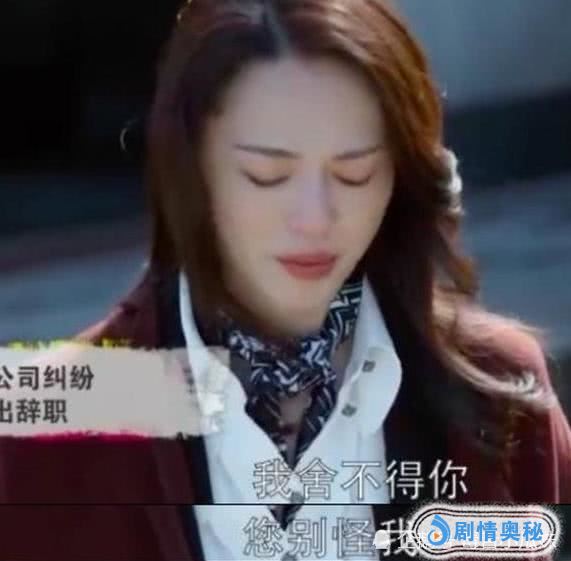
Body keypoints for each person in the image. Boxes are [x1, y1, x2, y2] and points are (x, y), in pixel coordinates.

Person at [0, 0, 569, 560]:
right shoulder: (54, 418)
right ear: (193, 170)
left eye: (355, 173)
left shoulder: (498, 393)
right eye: (267, 175)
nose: (315, 219)